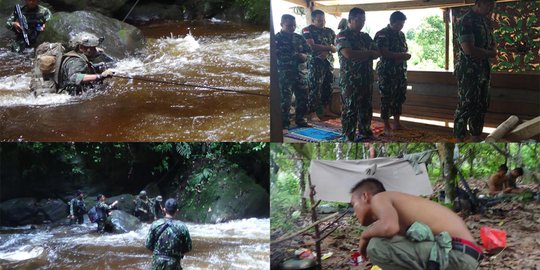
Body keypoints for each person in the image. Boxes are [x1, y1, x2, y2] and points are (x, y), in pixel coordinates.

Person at [350, 178, 483, 270]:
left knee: (376, 246)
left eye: (353, 205)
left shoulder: (380, 198)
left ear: (365, 196)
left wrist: (364, 236)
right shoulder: (396, 209)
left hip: (455, 254)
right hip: (465, 256)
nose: (354, 213)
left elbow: (389, 228)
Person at [453, 0, 497, 142]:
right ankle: (459, 138)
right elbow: (469, 50)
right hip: (469, 71)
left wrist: (488, 52)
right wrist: (489, 53)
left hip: (483, 69)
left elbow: (493, 47)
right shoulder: (466, 21)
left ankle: (475, 135)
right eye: (488, 5)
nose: (490, 8)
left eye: (492, 5)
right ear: (478, 3)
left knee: (481, 104)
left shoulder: (486, 22)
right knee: (466, 104)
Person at [336, 8, 380, 142]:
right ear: (350, 20)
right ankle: (348, 135)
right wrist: (368, 53)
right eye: (359, 20)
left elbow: (377, 52)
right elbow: (349, 54)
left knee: (365, 106)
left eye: (363, 20)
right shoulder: (342, 36)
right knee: (350, 108)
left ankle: (365, 130)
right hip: (350, 79)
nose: (362, 23)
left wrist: (362, 54)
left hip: (366, 78)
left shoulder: (365, 36)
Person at [374, 11, 411, 136]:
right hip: (387, 72)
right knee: (387, 98)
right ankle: (386, 125)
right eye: (399, 24)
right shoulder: (382, 34)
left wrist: (403, 56)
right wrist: (401, 56)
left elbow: (404, 49)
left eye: (402, 24)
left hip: (400, 71)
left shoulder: (401, 35)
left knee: (399, 97)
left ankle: (397, 123)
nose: (401, 27)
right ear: (392, 22)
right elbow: (383, 52)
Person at [275, 14, 311, 131]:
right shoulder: (276, 39)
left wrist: (304, 56)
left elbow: (309, 53)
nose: (292, 28)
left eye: (294, 25)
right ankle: (284, 123)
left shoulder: (299, 38)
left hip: (300, 74)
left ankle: (301, 120)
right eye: (289, 25)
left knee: (303, 98)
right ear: (281, 25)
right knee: (285, 100)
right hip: (285, 75)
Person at [302, 10, 337, 122]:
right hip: (314, 63)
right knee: (314, 87)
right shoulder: (307, 30)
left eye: (324, 20)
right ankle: (312, 113)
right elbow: (311, 46)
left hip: (328, 63)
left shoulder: (330, 31)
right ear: (313, 20)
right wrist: (328, 48)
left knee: (328, 86)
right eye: (319, 20)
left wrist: (329, 50)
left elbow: (337, 47)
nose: (323, 22)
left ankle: (326, 110)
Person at [146, 198, 192, 270]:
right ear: (177, 211)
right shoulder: (182, 227)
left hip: (157, 263)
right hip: (174, 264)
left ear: (164, 209)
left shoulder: (155, 224)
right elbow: (188, 247)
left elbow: (148, 245)